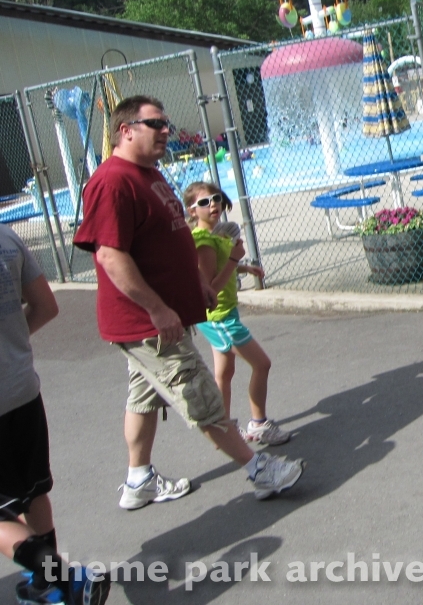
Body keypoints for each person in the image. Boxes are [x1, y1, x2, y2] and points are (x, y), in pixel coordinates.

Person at [72, 96, 304, 510]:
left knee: (143, 398)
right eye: (155, 124)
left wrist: (196, 281)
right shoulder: (112, 181)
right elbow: (110, 256)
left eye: (166, 123)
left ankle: (138, 480)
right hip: (149, 324)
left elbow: (173, 239)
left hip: (164, 318)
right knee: (199, 394)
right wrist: (158, 309)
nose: (166, 131)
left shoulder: (150, 175)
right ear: (126, 130)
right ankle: (259, 470)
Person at [0, 223, 109, 605]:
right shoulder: (7, 238)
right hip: (21, 389)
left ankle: (63, 578)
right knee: (33, 491)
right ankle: (45, 585)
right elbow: (47, 305)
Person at [182, 182, 290, 446]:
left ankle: (223, 428)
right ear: (192, 211)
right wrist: (233, 259)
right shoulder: (204, 241)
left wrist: (242, 267)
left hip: (224, 313)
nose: (214, 205)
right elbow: (209, 291)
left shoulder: (216, 235)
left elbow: (220, 268)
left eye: (217, 199)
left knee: (224, 372)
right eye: (205, 202)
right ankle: (259, 424)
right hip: (219, 317)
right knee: (262, 364)